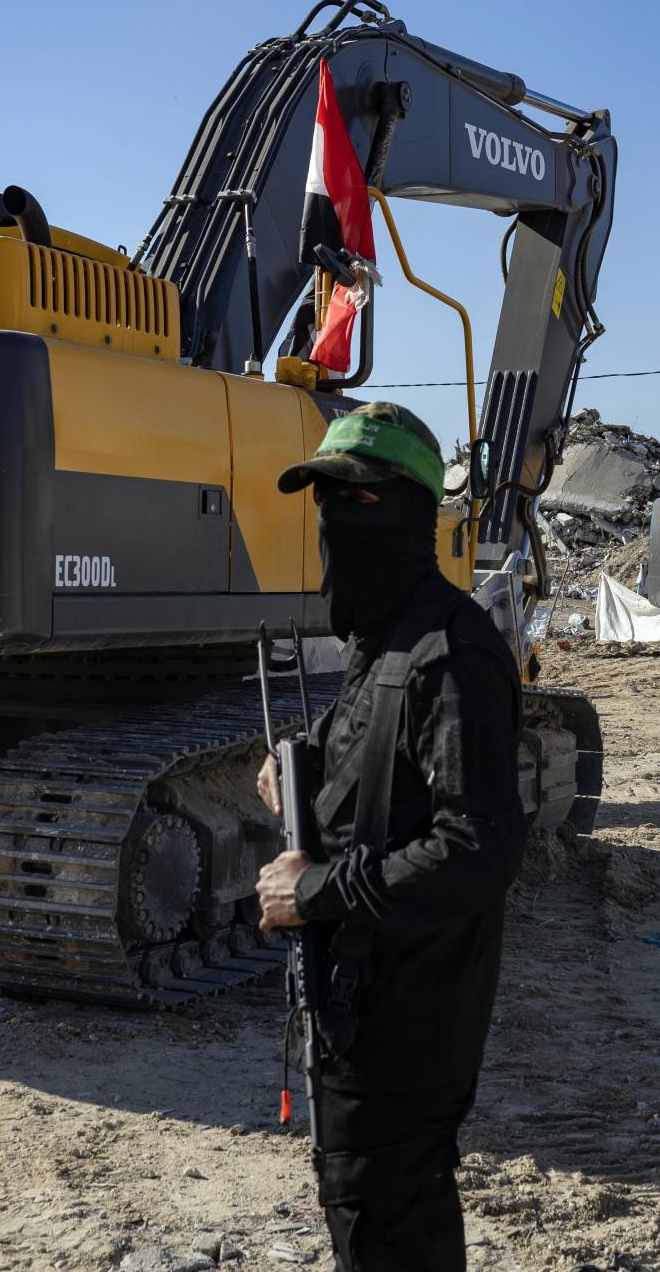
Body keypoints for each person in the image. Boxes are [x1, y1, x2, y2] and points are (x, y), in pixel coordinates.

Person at [255, 402, 528, 1271]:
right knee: (364, 1217)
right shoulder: (384, 644)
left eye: (360, 501)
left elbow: (477, 845)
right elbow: (377, 775)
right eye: (326, 499)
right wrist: (300, 774)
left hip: (410, 1024)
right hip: (359, 1009)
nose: (336, 520)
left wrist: (313, 889)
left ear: (414, 516)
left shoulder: (453, 651)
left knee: (389, 1228)